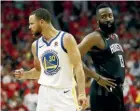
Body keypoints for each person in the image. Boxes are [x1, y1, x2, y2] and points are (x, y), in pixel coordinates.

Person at [14, 8, 87, 111]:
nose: (29, 27)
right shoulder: (36, 45)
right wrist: (24, 75)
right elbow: (40, 72)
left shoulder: (66, 38)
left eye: (32, 23)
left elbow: (78, 66)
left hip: (64, 93)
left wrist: (82, 93)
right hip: (44, 93)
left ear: (42, 22)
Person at [78, 3, 125, 111]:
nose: (108, 19)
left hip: (117, 90)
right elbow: (72, 56)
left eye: (110, 15)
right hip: (102, 91)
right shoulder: (94, 37)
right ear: (97, 20)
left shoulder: (115, 36)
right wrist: (97, 77)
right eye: (103, 17)